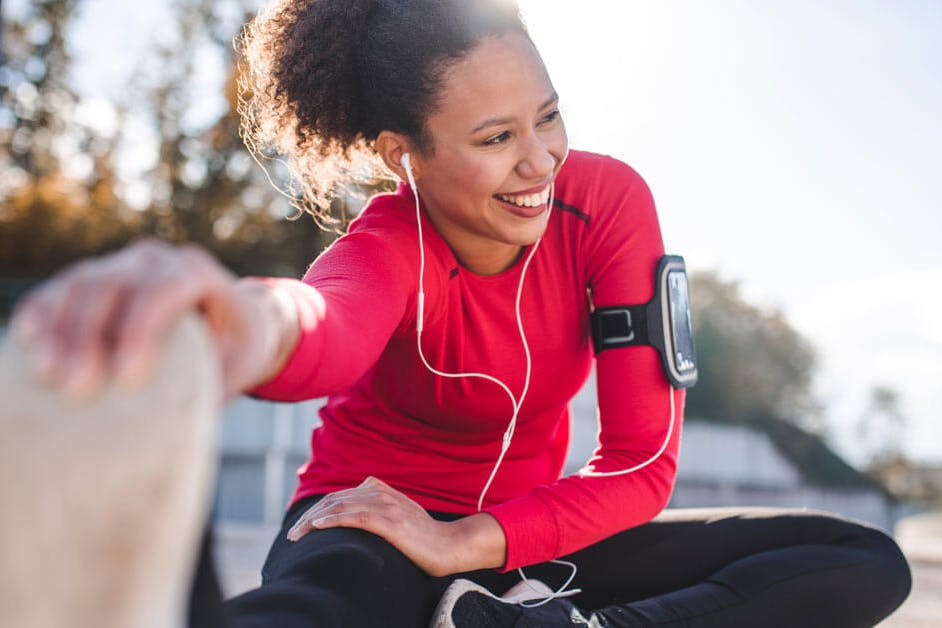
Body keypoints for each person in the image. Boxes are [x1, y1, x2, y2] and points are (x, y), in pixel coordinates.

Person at [7, 1, 911, 626]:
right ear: (407, 155)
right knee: (311, 615)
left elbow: (639, 465)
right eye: (495, 139)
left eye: (547, 117)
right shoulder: (388, 244)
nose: (539, 162)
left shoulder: (607, 203)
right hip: (372, 526)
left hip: (520, 550)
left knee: (860, 561)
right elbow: (323, 324)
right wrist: (234, 320)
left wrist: (469, 544)